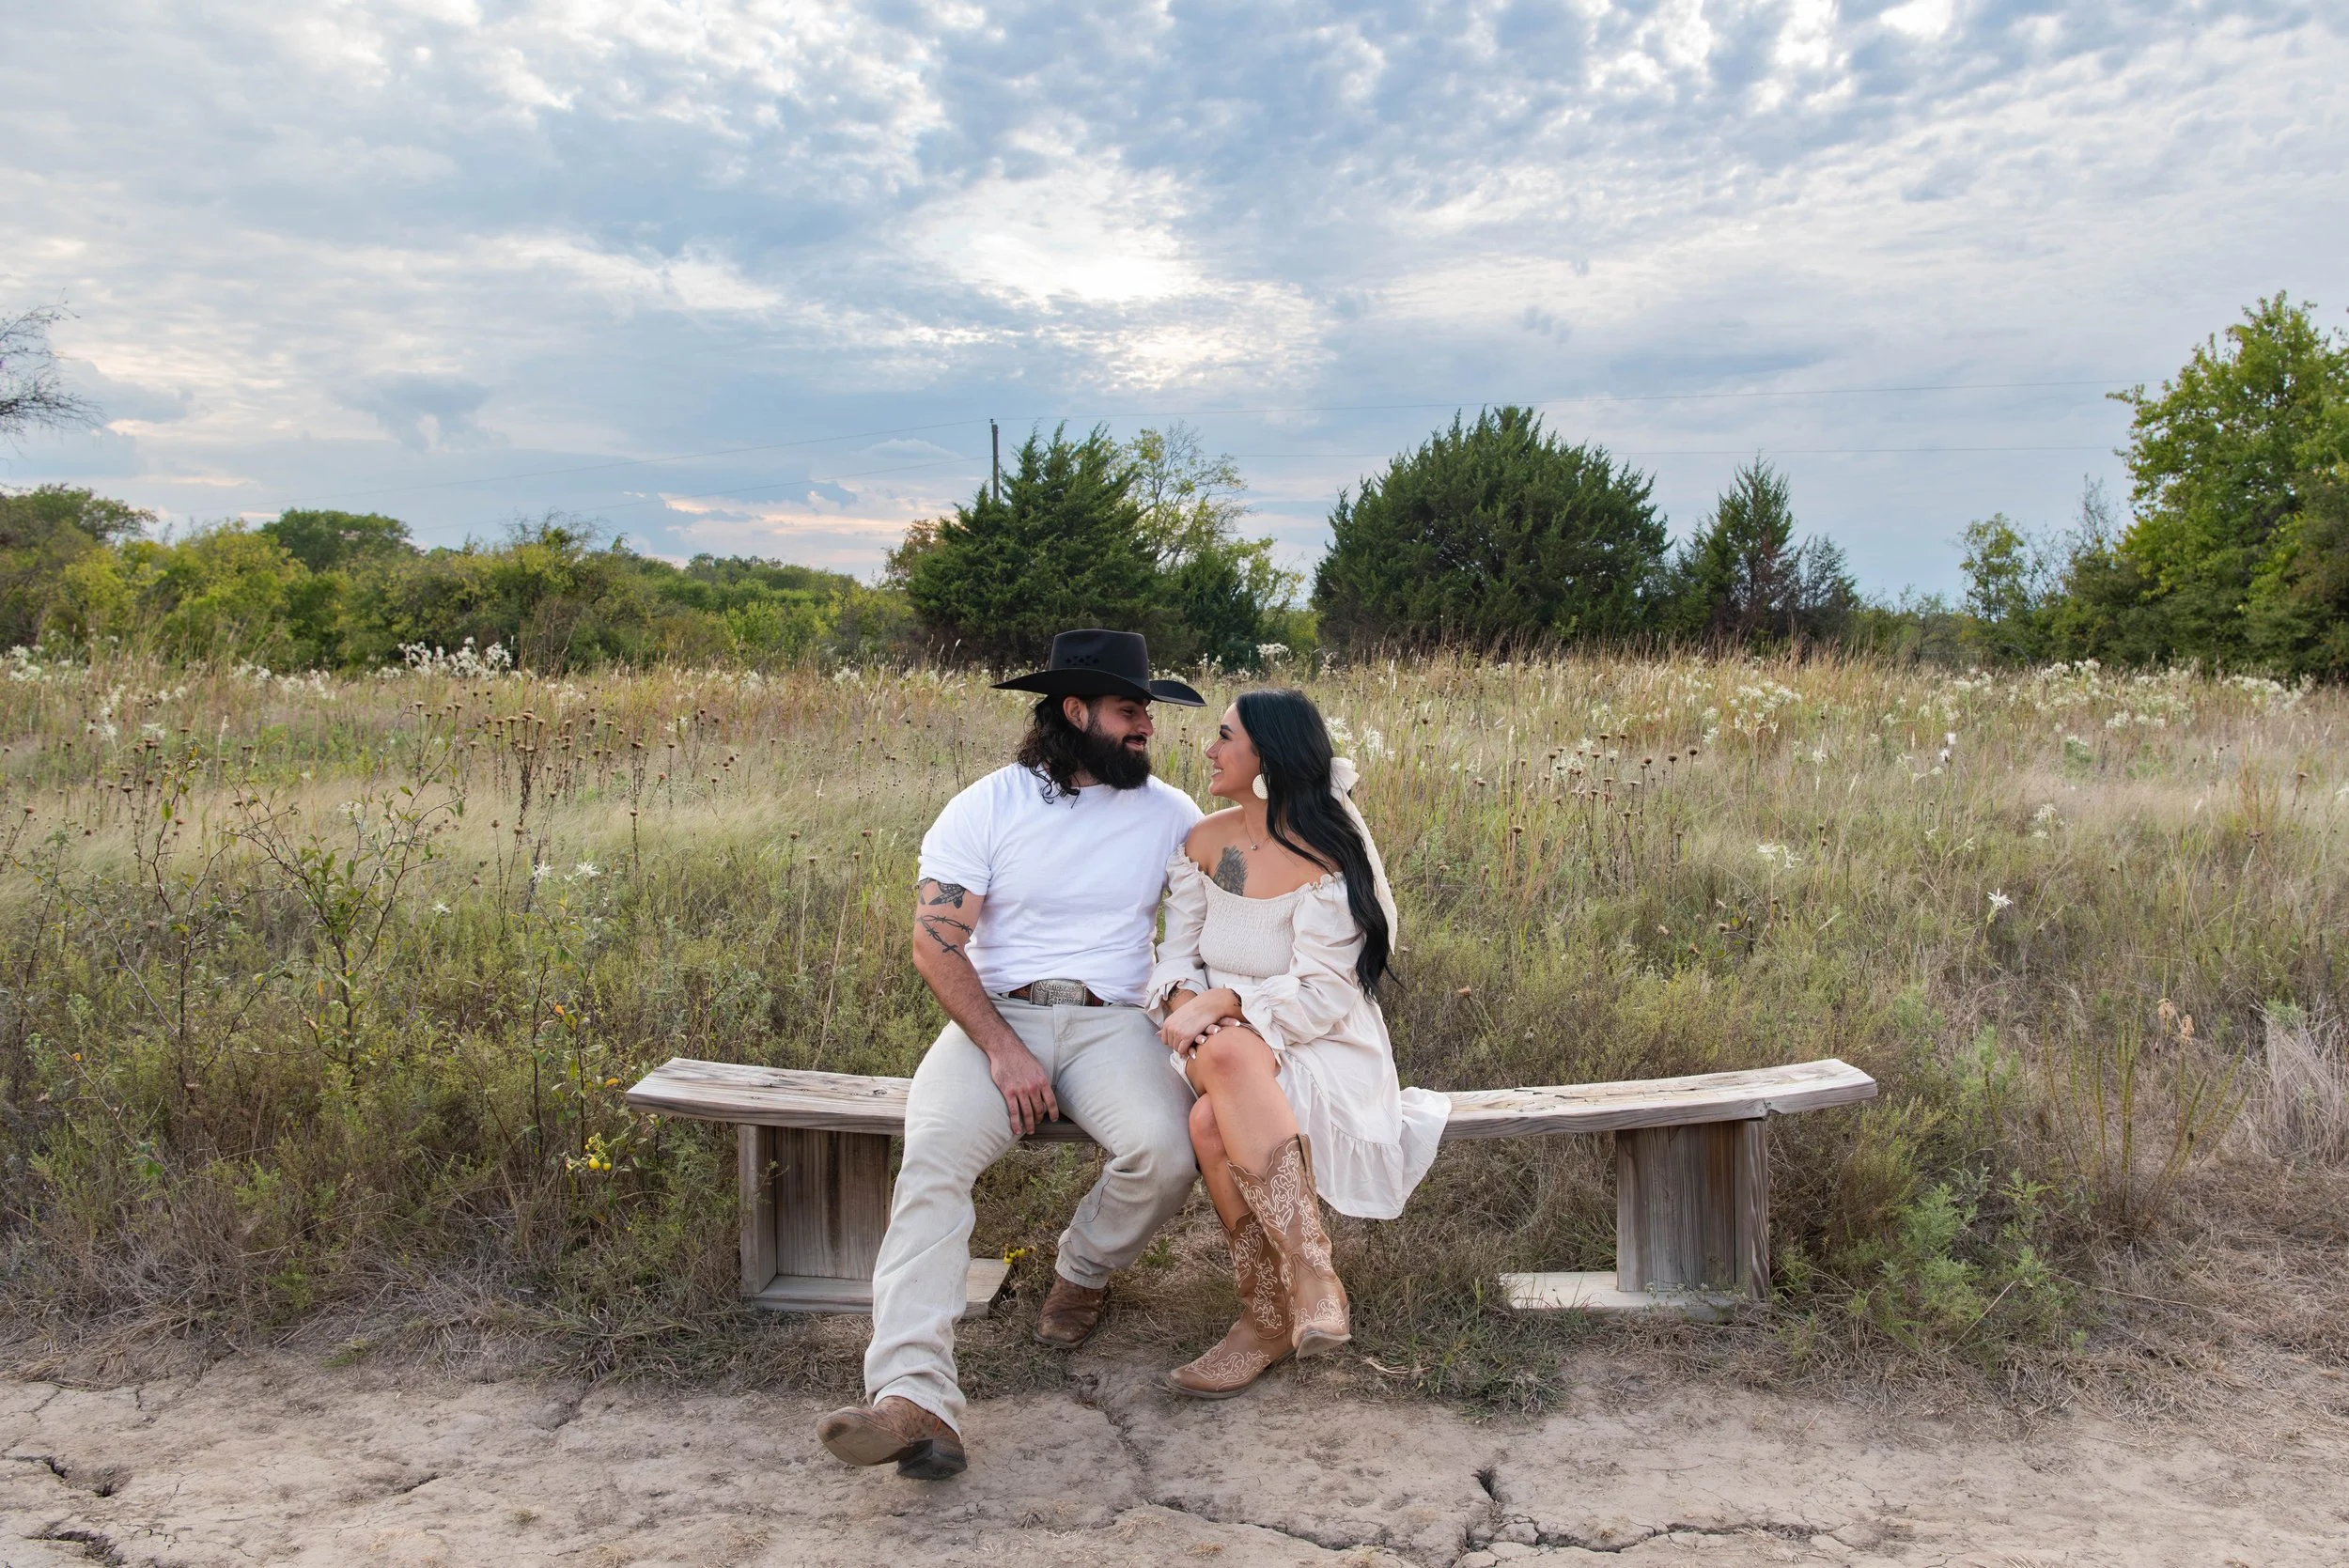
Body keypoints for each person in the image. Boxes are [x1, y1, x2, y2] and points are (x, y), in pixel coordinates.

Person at [816, 629, 1207, 1480]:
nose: (1146, 726)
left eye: (1147, 711)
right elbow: (935, 943)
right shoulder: (987, 805)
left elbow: (1225, 908)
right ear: (1077, 711)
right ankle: (912, 1398)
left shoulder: (1173, 814)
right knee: (931, 1161)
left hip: (1114, 1023)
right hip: (997, 1019)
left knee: (1168, 1151)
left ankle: (1082, 1270)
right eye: (1129, 710)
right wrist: (1002, 1048)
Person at [1148, 688, 1449, 1399]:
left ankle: (1265, 1314)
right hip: (1216, 1040)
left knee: (1204, 1120)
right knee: (1223, 1053)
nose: (1210, 750)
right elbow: (1175, 954)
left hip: (1321, 1040)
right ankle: (1312, 1277)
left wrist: (1231, 1001)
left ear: (1267, 759)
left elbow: (1326, 993)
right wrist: (1192, 1001)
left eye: (1225, 737)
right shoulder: (1209, 845)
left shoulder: (1325, 856)